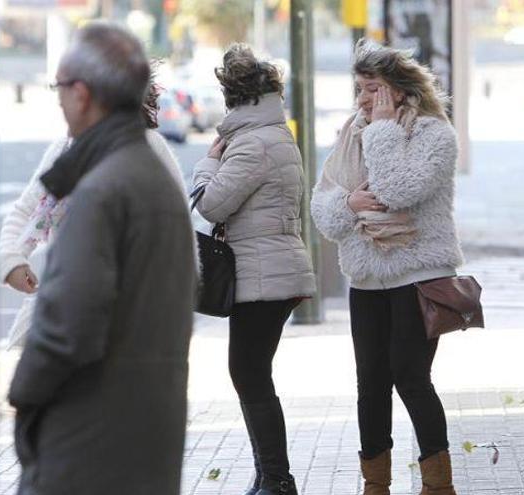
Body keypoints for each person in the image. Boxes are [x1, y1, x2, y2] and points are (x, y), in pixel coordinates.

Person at [7, 23, 196, 494]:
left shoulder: (104, 186)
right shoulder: (145, 168)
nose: (57, 99)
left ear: (84, 94)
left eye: (59, 88)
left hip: (90, 441)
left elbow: (66, 326)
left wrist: (23, 395)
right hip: (144, 427)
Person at [311, 39, 462, 495]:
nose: (362, 99)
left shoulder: (436, 134)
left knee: (410, 376)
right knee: (370, 384)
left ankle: (438, 485)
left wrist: (380, 129)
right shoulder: (349, 133)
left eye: (372, 88)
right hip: (366, 277)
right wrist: (349, 202)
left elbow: (398, 189)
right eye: (358, 88)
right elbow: (322, 209)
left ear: (398, 90)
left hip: (418, 275)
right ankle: (375, 484)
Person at [192, 43, 317, 495]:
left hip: (264, 276)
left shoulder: (250, 144)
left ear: (234, 98)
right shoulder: (275, 135)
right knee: (251, 372)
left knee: (249, 373)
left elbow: (210, 204)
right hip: (273, 270)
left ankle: (277, 480)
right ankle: (269, 477)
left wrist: (208, 160)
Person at [0, 63, 187, 350]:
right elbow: (26, 209)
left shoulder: (149, 148)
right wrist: (11, 259)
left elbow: (178, 235)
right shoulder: (66, 148)